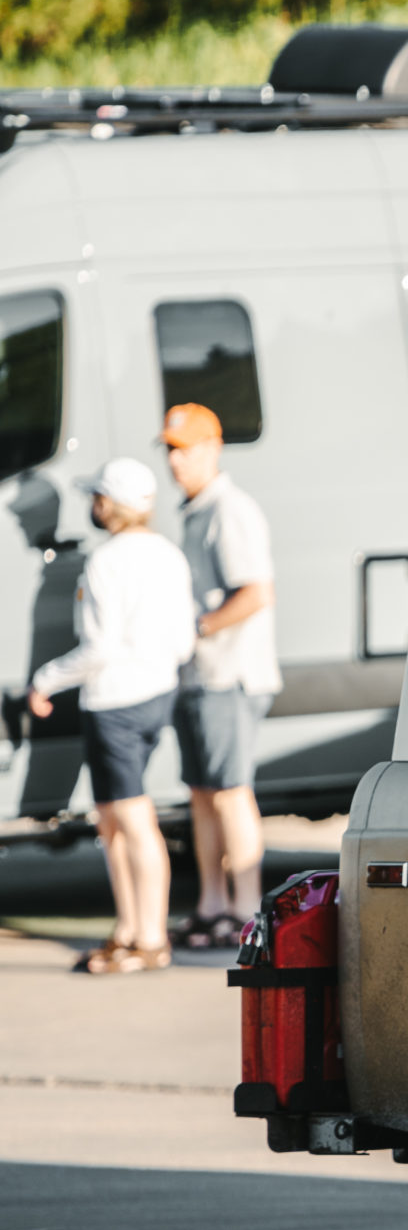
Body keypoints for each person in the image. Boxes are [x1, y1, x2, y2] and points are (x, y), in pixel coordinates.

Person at [25, 458, 198, 975]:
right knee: (115, 820)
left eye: (96, 497)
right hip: (155, 693)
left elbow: (97, 649)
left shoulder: (106, 562)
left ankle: (149, 938)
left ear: (109, 505)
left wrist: (45, 680)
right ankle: (128, 929)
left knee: (130, 819)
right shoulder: (169, 554)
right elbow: (184, 639)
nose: (91, 506)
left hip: (114, 701)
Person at [159, 403, 281, 947]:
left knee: (231, 792)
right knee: (202, 793)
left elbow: (256, 592)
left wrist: (199, 629)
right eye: (169, 448)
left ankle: (246, 909)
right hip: (199, 676)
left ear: (213, 448)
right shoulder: (196, 509)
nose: (174, 460)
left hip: (228, 675)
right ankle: (212, 906)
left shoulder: (231, 510)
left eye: (183, 448)